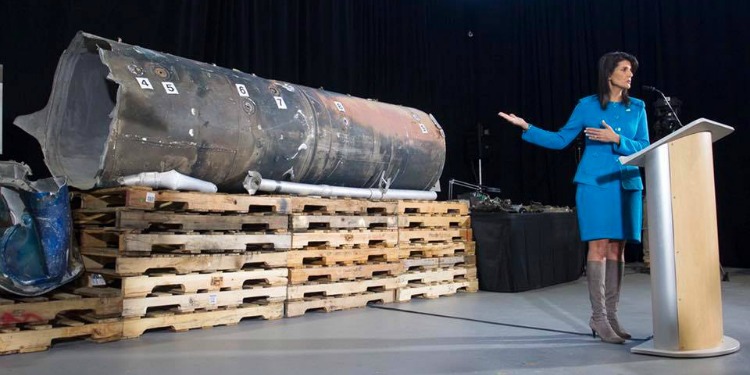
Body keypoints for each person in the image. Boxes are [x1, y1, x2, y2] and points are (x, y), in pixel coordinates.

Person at [498, 52, 650, 344]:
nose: (630, 75)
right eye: (625, 69)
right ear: (609, 73)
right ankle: (599, 317)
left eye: (631, 70)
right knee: (599, 246)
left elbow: (644, 145)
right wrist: (526, 127)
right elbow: (560, 140)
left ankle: (613, 315)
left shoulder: (638, 108)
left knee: (617, 250)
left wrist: (618, 140)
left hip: (626, 183)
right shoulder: (587, 106)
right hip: (594, 183)